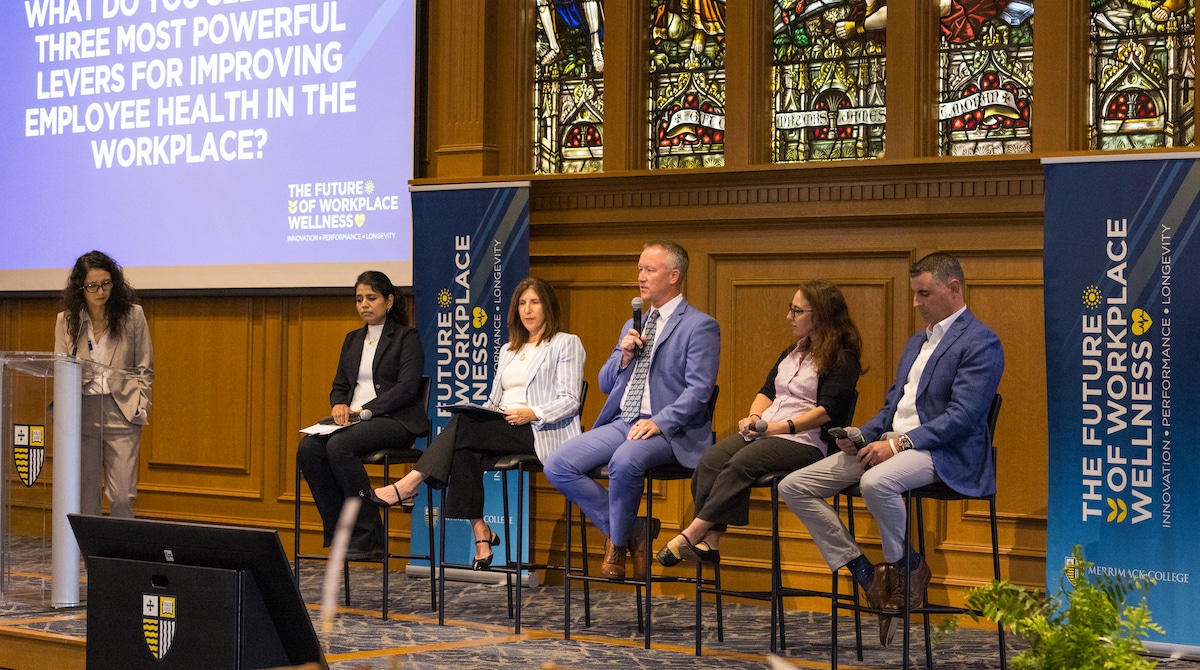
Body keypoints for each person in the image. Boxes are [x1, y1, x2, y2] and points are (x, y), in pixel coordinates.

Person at [778, 252, 1003, 647]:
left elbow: (964, 416)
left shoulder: (981, 341)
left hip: (944, 452)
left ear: (953, 288)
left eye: (923, 294)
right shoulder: (918, 342)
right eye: (914, 293)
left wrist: (900, 443)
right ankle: (869, 576)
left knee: (876, 483)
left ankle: (908, 568)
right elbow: (890, 410)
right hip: (893, 444)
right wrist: (860, 435)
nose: (915, 303)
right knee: (793, 486)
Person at [363, 277, 585, 570]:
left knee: (462, 428)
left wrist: (531, 412)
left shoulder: (565, 343)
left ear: (548, 307)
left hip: (539, 431)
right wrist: (483, 412)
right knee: (462, 448)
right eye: (522, 303)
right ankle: (481, 533)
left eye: (535, 302)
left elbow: (570, 400)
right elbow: (495, 399)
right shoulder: (509, 349)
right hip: (503, 426)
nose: (527, 310)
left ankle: (409, 484)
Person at [544, 240, 720, 581]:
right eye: (640, 269)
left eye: (649, 270)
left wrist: (659, 422)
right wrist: (623, 356)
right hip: (623, 420)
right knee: (558, 464)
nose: (640, 277)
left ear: (673, 276)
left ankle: (616, 544)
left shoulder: (700, 326)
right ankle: (631, 530)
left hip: (671, 429)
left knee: (625, 460)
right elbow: (605, 382)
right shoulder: (633, 324)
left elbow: (699, 391)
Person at [655, 279, 862, 567]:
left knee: (741, 464)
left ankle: (691, 533)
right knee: (712, 460)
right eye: (791, 309)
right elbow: (767, 392)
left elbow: (826, 411)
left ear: (821, 315)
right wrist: (754, 417)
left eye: (797, 311)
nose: (789, 317)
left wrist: (782, 427)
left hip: (806, 440)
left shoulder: (843, 359)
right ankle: (710, 543)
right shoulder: (793, 352)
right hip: (769, 430)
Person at [297, 271, 426, 561]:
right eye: (359, 299)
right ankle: (341, 533)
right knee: (308, 449)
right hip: (353, 422)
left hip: (394, 420)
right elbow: (340, 386)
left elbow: (406, 389)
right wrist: (339, 405)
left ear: (388, 301)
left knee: (339, 446)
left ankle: (369, 536)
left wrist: (366, 410)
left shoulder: (406, 338)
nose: (364, 304)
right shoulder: (352, 339)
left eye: (371, 298)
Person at [54, 250, 153, 519]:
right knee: (86, 495)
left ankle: (120, 547)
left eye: (106, 283)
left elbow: (145, 367)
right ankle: (90, 548)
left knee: (121, 495)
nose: (100, 292)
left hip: (122, 411)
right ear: (80, 288)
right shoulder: (67, 321)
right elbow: (60, 370)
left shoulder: (133, 316)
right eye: (92, 286)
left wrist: (140, 404)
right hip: (82, 413)